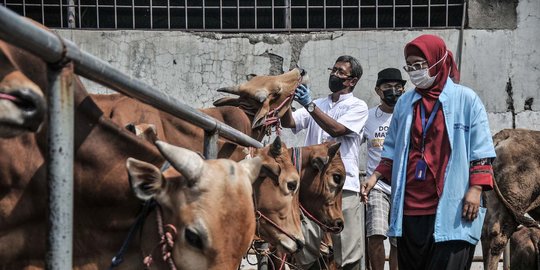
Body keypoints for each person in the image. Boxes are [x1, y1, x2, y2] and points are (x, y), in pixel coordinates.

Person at [360, 34, 496, 270]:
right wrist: (374, 177)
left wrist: (475, 189)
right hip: (411, 209)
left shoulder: (467, 100)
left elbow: (481, 149)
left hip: (453, 206)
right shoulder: (405, 103)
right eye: (410, 66)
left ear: (438, 61)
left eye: (420, 65)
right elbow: (391, 147)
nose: (414, 72)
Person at [282, 55, 369, 270]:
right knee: (304, 248)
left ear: (352, 81)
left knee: (347, 251)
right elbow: (290, 122)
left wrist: (309, 106)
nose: (334, 74)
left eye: (341, 72)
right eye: (333, 69)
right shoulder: (319, 103)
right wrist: (285, 96)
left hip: (343, 188)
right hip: (312, 189)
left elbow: (337, 130)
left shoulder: (358, 107)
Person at [362, 68, 405, 270]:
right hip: (377, 185)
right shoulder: (368, 118)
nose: (393, 91)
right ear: (378, 91)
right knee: (376, 233)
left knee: (398, 238)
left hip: (404, 185)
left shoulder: (409, 116)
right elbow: (352, 145)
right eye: (388, 87)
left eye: (398, 87)